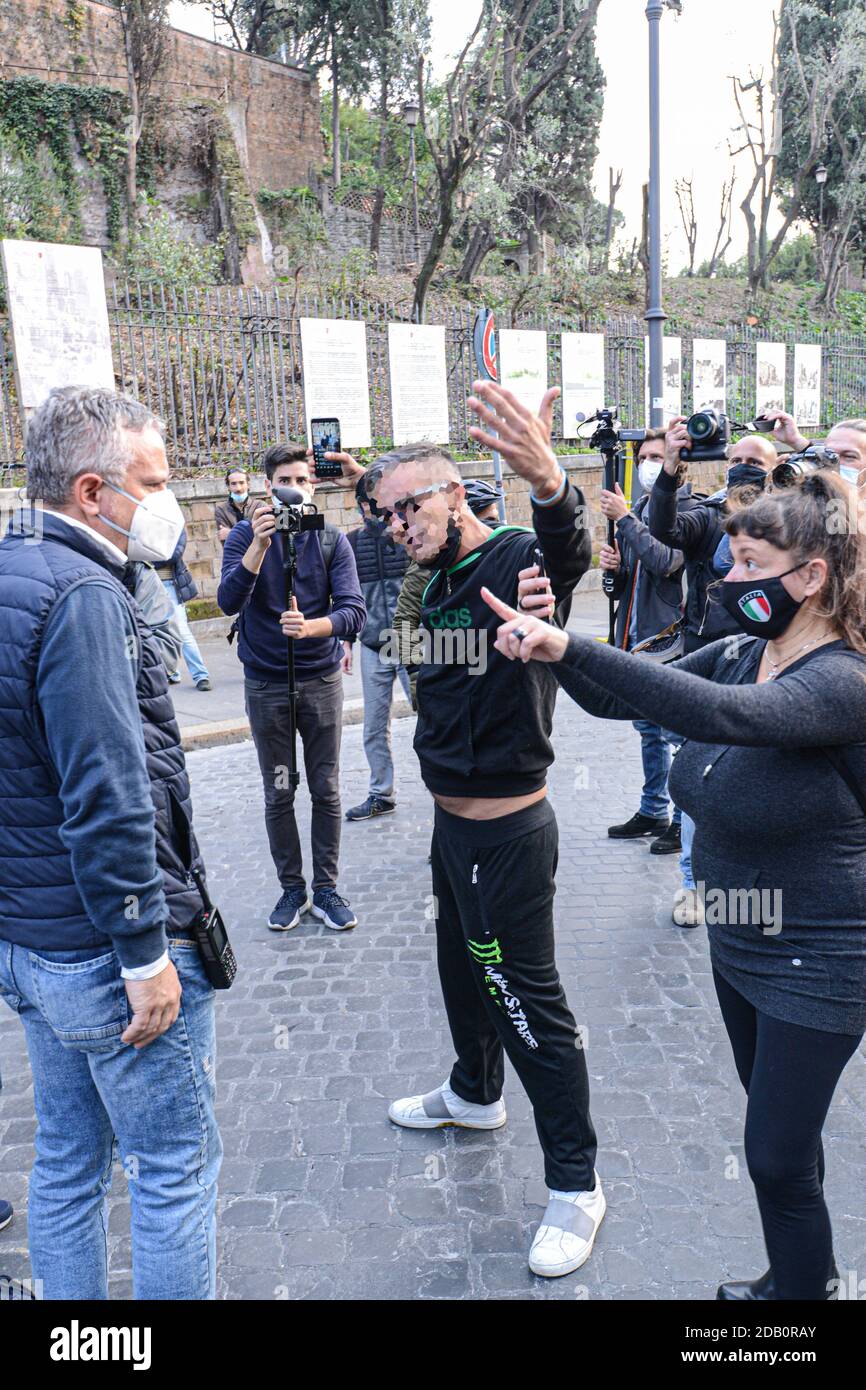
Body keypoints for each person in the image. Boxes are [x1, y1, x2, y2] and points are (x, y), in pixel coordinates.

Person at [483, 469, 866, 1302]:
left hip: (824, 957)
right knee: (788, 1145)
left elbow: (720, 719)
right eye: (728, 560)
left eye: (748, 563)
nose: (727, 580)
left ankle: (802, 1302)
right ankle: (803, 1276)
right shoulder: (740, 655)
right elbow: (620, 697)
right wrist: (551, 634)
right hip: (742, 944)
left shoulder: (842, 682)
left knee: (769, 1151)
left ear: (812, 577)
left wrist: (572, 646)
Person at [374, 381, 605, 1280]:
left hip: (511, 833)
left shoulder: (517, 560)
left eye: (411, 506)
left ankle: (578, 1185)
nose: (399, 524)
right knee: (460, 979)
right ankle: (473, 1096)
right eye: (386, 515)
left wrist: (548, 479)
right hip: (448, 830)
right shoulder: (423, 585)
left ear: (455, 494)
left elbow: (567, 552)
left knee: (523, 1001)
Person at [0, 386, 221, 1301]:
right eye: (154, 482)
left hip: (32, 946)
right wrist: (143, 952)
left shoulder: (12, 567)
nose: (168, 501)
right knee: (171, 1172)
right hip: (103, 953)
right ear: (93, 491)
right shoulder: (85, 592)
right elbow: (108, 797)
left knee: (65, 1164)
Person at [217, 442, 366, 933]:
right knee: (280, 792)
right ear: (267, 485)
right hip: (266, 684)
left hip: (320, 681)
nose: (295, 489)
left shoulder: (331, 540)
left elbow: (354, 612)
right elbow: (226, 600)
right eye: (285, 480)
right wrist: (259, 546)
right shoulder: (243, 536)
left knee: (325, 788)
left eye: (303, 481)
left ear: (314, 485)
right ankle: (291, 889)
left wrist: (315, 628)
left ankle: (326, 888)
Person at [646, 424, 779, 926]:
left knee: (759, 776)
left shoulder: (787, 518)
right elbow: (665, 530)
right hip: (710, 659)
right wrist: (670, 471)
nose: (743, 466)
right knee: (698, 768)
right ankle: (692, 887)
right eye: (735, 459)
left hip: (768, 662)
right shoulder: (709, 513)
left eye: (756, 461)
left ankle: (755, 883)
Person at [597, 429, 689, 856]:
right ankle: (653, 809)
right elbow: (624, 587)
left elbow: (666, 562)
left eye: (658, 455)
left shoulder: (689, 509)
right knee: (647, 731)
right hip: (633, 637)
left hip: (668, 641)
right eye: (645, 456)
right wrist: (612, 570)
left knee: (674, 732)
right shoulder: (635, 509)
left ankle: (683, 819)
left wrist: (628, 523)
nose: (650, 462)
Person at [343, 468, 412, 821]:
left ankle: (449, 790)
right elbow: (345, 596)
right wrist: (346, 641)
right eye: (370, 504)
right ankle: (380, 794)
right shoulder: (352, 544)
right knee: (373, 726)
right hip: (372, 643)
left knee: (433, 715)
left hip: (413, 642)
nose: (377, 511)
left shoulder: (408, 536)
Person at [154, 522, 213, 691]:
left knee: (182, 631)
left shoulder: (174, 523)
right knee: (153, 632)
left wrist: (148, 557)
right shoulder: (141, 523)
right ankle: (171, 672)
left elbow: (174, 554)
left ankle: (201, 675)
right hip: (148, 586)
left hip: (170, 585)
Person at [215, 467, 256, 544]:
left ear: (248, 484)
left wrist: (231, 533)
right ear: (228, 487)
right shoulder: (221, 510)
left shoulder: (260, 506)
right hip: (234, 555)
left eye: (241, 483)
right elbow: (226, 542)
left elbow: (263, 537)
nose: (238, 488)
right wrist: (250, 533)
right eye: (233, 484)